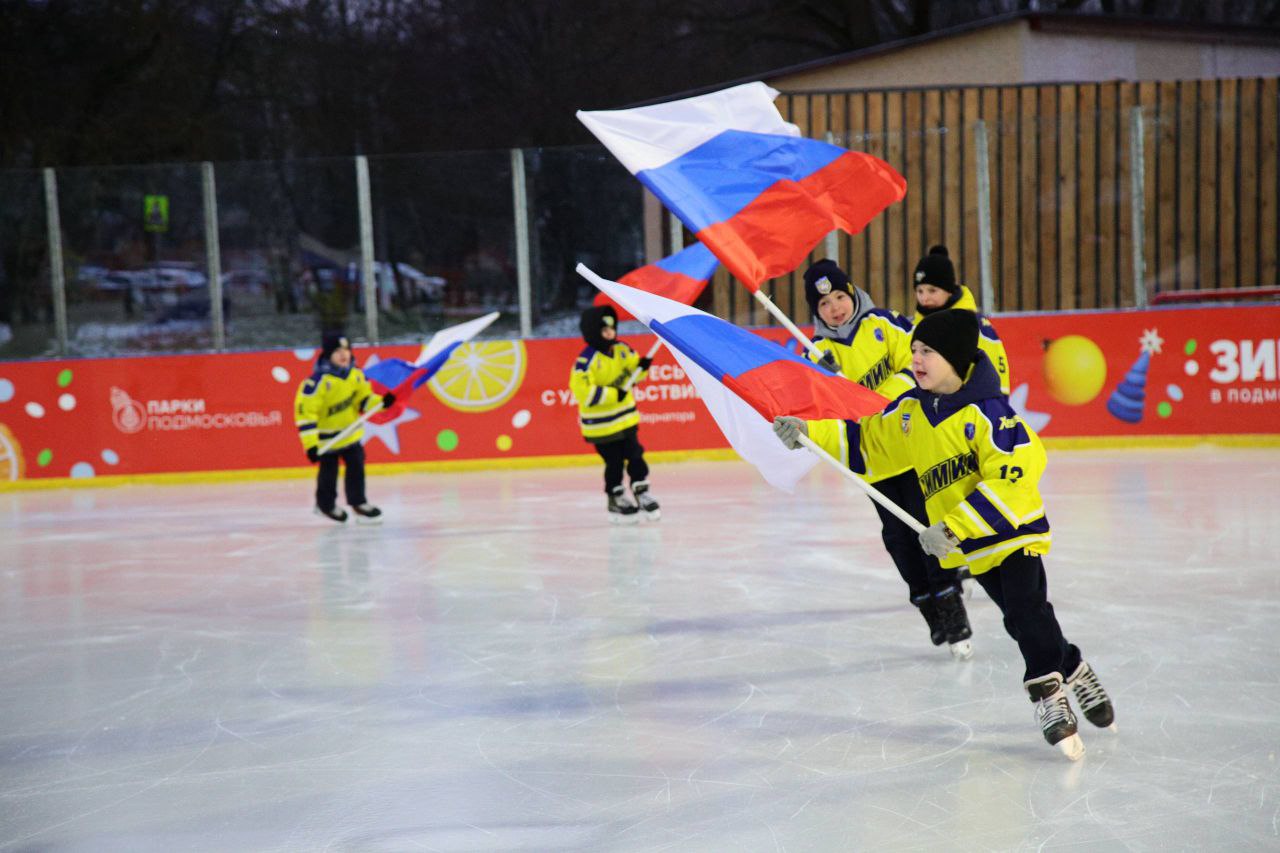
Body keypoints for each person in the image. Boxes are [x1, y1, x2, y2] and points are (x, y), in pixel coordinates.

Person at [772, 309, 1115, 759]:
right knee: (1018, 620)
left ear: (954, 358)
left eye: (927, 352)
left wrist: (953, 525)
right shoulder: (911, 413)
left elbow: (1017, 474)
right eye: (913, 349)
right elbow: (867, 443)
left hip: (1012, 532)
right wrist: (810, 434)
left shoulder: (989, 412)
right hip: (971, 545)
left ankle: (1048, 695)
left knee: (1027, 610)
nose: (916, 359)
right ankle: (1074, 666)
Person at [802, 259, 973, 658]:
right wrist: (830, 392)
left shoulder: (886, 323)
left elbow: (917, 364)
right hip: (872, 462)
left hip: (913, 447)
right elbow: (820, 412)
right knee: (898, 538)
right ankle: (927, 604)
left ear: (853, 293)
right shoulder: (816, 353)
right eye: (824, 304)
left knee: (927, 526)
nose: (835, 308)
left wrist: (874, 398)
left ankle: (950, 601)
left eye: (839, 297)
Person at [570, 305, 658, 523]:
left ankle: (641, 490)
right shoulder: (586, 362)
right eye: (604, 329)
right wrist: (612, 394)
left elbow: (632, 375)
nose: (610, 333)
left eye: (612, 328)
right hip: (601, 426)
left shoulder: (622, 350)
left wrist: (642, 367)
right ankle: (615, 497)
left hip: (626, 419)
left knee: (635, 455)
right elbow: (582, 392)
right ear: (593, 332)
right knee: (614, 462)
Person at [294, 331, 393, 524]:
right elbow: (305, 415)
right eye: (337, 351)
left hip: (350, 436)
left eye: (346, 350)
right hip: (327, 440)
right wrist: (311, 445)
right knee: (328, 473)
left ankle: (358, 503)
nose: (343, 354)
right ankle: (325, 505)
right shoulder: (317, 383)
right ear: (328, 355)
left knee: (356, 468)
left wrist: (381, 402)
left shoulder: (356, 375)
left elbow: (364, 401)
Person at [912, 245, 1011, 394]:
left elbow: (996, 372)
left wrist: (997, 402)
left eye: (932, 290)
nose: (924, 298)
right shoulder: (912, 327)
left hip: (971, 405)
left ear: (949, 291)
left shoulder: (973, 325)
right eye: (920, 291)